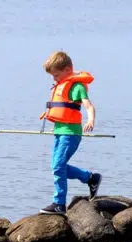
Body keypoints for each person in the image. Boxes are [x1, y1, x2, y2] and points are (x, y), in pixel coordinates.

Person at [38, 51, 102, 215]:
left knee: (58, 166)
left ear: (67, 70)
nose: (54, 79)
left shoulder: (77, 86)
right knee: (56, 167)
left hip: (71, 134)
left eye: (56, 75)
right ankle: (90, 178)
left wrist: (90, 120)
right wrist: (50, 114)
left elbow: (89, 106)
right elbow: (63, 109)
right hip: (60, 131)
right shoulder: (61, 85)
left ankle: (59, 203)